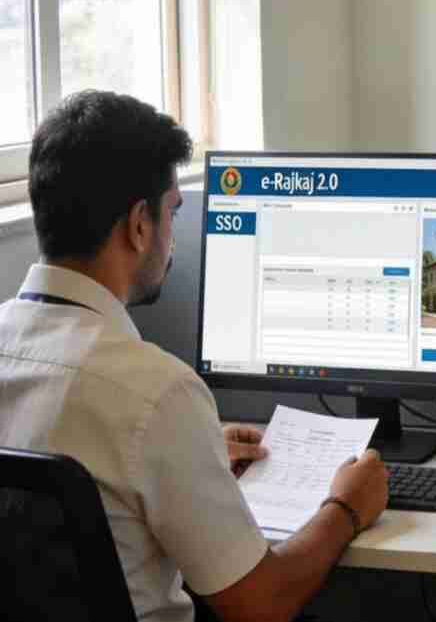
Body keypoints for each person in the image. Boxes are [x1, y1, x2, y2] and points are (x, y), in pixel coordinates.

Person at [0, 91, 388, 622]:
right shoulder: (155, 394)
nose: (172, 236)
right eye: (172, 213)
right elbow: (262, 603)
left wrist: (191, 452)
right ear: (140, 224)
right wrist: (347, 506)